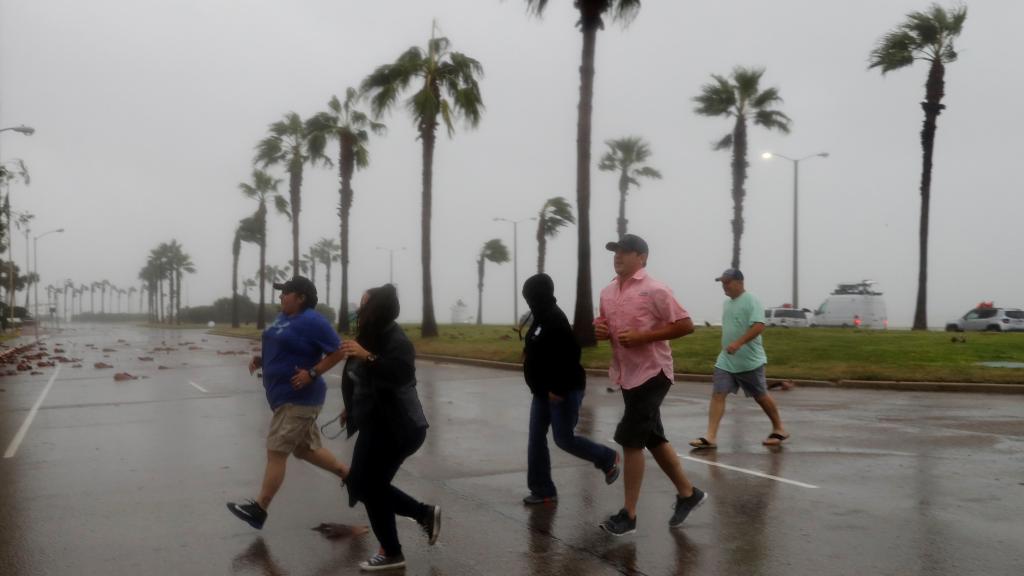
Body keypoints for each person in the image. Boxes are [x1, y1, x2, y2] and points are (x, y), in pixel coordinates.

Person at [594, 234, 707, 536]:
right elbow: (603, 324)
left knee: (631, 439)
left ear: (641, 257)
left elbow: (685, 325)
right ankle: (688, 494)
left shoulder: (655, 289)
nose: (618, 256)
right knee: (653, 437)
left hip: (654, 373)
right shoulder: (607, 292)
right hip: (626, 374)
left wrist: (644, 337)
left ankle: (628, 516)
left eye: (625, 252)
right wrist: (601, 330)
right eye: (615, 251)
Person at [227, 276, 349, 529]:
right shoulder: (283, 317)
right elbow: (282, 344)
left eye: (285, 292)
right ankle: (350, 476)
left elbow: (338, 351)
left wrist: (312, 373)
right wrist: (263, 359)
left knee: (276, 450)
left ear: (301, 297)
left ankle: (259, 509)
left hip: (300, 398)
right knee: (305, 450)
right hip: (282, 398)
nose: (281, 296)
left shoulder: (313, 321)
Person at [340, 284, 439, 572]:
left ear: (377, 309)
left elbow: (400, 374)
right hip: (376, 424)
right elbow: (361, 380)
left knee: (369, 486)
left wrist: (367, 356)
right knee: (365, 484)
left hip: (398, 428)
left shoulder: (395, 340)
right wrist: (352, 407)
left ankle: (396, 546)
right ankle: (419, 519)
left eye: (364, 305)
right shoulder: (369, 336)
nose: (359, 310)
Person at [521, 273, 620, 505]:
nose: (529, 301)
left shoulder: (555, 319)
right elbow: (535, 340)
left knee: (564, 439)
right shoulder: (540, 317)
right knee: (536, 439)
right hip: (542, 391)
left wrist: (557, 388)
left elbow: (570, 356)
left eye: (531, 296)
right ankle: (543, 490)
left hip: (562, 390)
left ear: (540, 296)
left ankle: (607, 458)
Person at [689, 269, 789, 450]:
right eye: (722, 283)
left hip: (749, 361)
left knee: (761, 396)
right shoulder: (727, 303)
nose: (724, 287)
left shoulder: (752, 300)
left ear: (739, 282)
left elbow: (759, 326)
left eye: (727, 283)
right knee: (718, 394)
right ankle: (710, 436)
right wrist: (731, 346)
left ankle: (779, 428)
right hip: (726, 360)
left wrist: (739, 343)